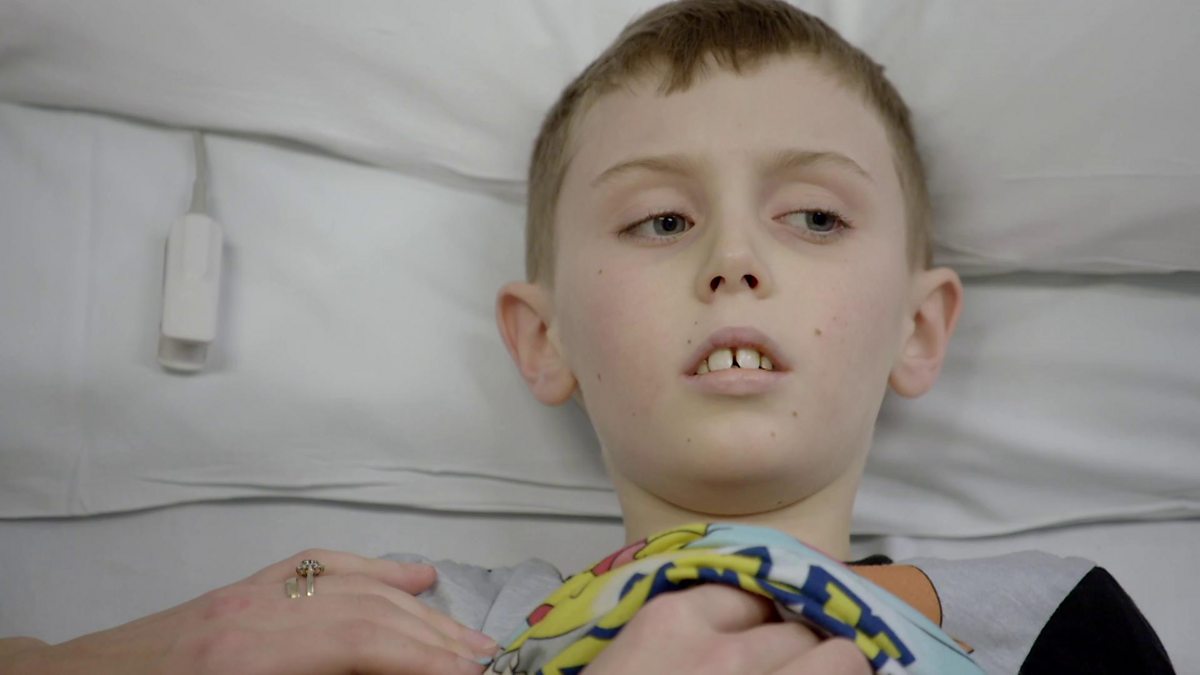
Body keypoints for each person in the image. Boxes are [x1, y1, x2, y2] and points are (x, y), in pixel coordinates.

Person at [0, 0, 1174, 673]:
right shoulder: (409, 620)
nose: (734, 257)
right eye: (660, 219)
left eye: (815, 216)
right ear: (543, 337)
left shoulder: (1046, 622)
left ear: (919, 329)